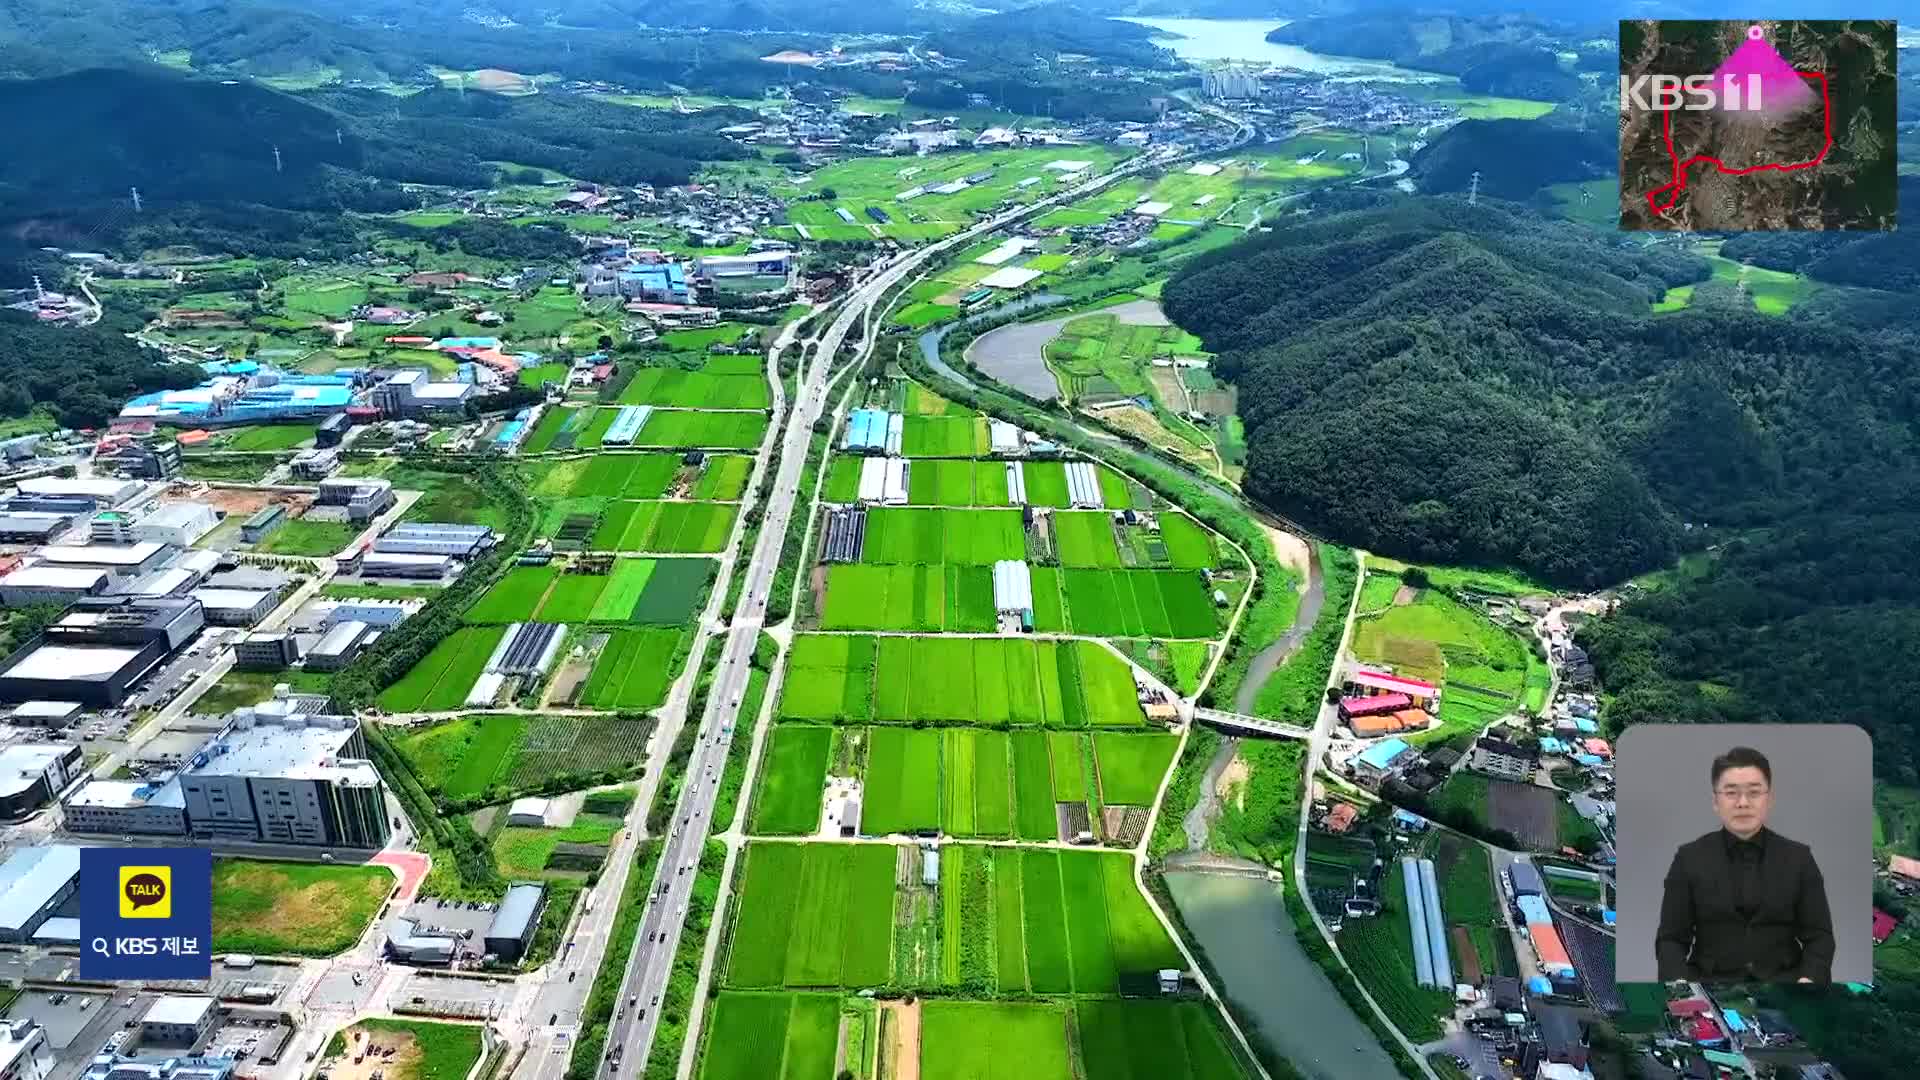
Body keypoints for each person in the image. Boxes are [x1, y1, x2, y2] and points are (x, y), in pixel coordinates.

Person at [1655, 746, 1833, 983]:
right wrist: (1677, 982)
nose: (1743, 803)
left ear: (1769, 799)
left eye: (1754, 792)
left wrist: (1809, 979)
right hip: (1710, 981)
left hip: (1786, 983)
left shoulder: (1799, 858)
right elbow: (1671, 939)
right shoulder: (1688, 859)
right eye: (1731, 793)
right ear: (1715, 801)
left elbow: (1820, 936)